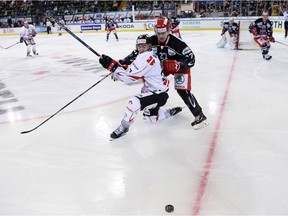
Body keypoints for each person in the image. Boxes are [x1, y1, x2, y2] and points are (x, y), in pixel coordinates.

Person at [119, 17, 208, 130]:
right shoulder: (151, 41)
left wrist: (179, 65)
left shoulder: (178, 43)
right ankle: (153, 112)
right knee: (152, 88)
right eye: (158, 33)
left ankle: (199, 115)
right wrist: (122, 63)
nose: (161, 36)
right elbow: (138, 53)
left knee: (182, 90)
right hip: (160, 69)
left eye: (164, 32)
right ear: (155, 31)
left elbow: (191, 60)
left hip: (178, 67)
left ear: (168, 30)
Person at [99, 34, 182, 139]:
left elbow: (129, 78)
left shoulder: (147, 57)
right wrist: (115, 67)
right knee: (151, 119)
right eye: (140, 46)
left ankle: (124, 127)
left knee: (133, 103)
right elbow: (130, 69)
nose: (142, 48)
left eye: (144, 46)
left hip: (158, 94)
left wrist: (112, 66)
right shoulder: (147, 56)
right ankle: (168, 112)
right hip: (157, 93)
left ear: (149, 46)